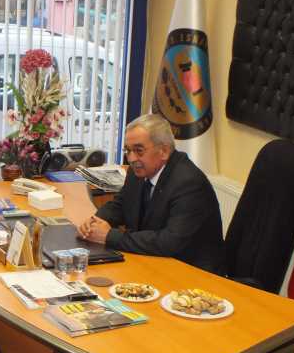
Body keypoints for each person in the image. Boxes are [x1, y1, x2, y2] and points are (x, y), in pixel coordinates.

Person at [77, 113, 224, 273]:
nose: (131, 158)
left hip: (191, 272)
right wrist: (94, 223)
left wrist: (109, 236)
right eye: (128, 150)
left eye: (139, 150)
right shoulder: (138, 171)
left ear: (164, 151)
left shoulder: (189, 183)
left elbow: (169, 242)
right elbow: (120, 205)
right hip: (152, 261)